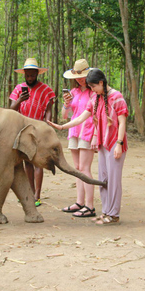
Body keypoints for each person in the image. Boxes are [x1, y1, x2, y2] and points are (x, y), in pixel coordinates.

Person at [48, 68, 128, 225]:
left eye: (93, 87)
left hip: (114, 143)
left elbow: (122, 122)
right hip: (103, 144)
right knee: (104, 179)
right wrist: (62, 127)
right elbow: (80, 118)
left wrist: (119, 143)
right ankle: (106, 211)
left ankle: (114, 214)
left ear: (101, 82)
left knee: (113, 179)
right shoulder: (96, 98)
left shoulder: (117, 98)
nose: (92, 90)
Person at [10, 58, 56, 207]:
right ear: (24, 74)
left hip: (38, 128)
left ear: (37, 74)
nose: (30, 78)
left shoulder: (46, 90)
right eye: (27, 75)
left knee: (38, 163)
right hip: (22, 129)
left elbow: (49, 109)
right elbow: (11, 110)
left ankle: (37, 195)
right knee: (26, 162)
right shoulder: (18, 89)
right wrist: (20, 100)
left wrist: (47, 124)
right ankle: (29, 191)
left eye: (32, 75)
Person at [60, 59, 97, 218]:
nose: (80, 79)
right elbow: (64, 116)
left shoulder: (94, 92)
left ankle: (90, 205)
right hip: (74, 131)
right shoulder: (74, 92)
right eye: (77, 76)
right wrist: (66, 104)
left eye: (83, 76)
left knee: (85, 168)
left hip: (88, 131)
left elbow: (97, 115)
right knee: (77, 168)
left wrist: (96, 134)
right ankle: (79, 202)